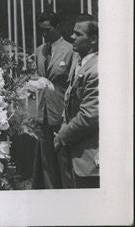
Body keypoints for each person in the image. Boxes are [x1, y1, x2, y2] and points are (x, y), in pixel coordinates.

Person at [30, 11, 79, 189]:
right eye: (41, 30)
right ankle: (50, 196)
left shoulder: (70, 50)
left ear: (57, 27)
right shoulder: (39, 51)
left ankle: (68, 195)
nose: (44, 34)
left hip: (62, 113)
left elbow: (72, 84)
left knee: (64, 161)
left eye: (48, 30)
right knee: (46, 162)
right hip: (43, 113)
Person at [54, 19, 99, 188]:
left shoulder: (96, 69)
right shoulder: (80, 63)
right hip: (76, 155)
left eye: (78, 34)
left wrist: (62, 136)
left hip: (89, 158)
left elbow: (89, 116)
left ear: (93, 39)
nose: (72, 37)